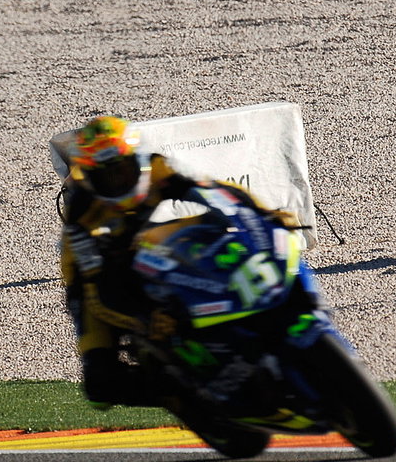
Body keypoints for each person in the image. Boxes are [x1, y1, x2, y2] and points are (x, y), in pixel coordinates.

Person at [55, 115, 292, 409]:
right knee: (100, 383)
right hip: (94, 277)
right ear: (90, 177)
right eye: (107, 175)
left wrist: (264, 215)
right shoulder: (82, 218)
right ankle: (183, 397)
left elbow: (216, 191)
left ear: (137, 157)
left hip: (152, 243)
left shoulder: (157, 166)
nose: (118, 180)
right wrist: (143, 319)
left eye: (124, 168)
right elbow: (99, 292)